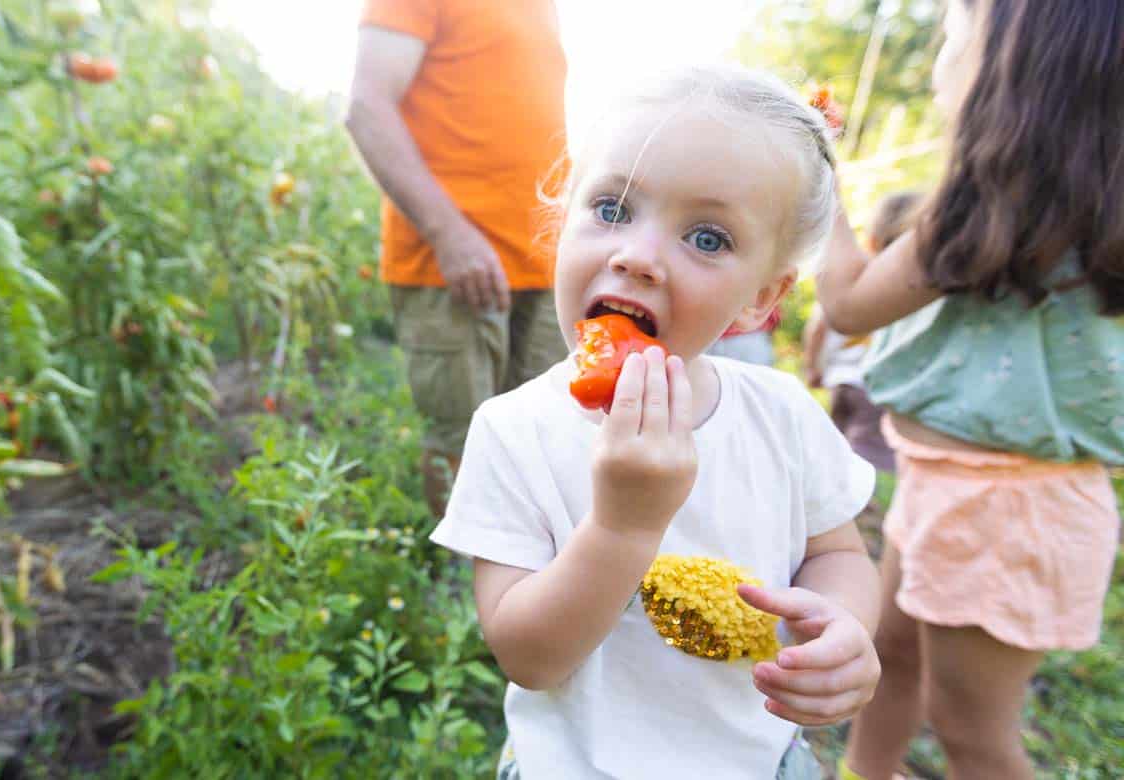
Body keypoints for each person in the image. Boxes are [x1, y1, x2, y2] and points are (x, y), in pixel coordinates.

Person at [430, 64, 882, 779]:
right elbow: (529, 656)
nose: (637, 257)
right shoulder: (513, 431)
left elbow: (838, 556)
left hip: (757, 764)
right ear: (562, 221)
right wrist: (623, 528)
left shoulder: (783, 415)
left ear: (760, 302)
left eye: (706, 238)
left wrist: (845, 625)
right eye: (612, 209)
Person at [817, 2, 1124, 779]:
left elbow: (847, 303)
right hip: (953, 486)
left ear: (1013, 68)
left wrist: (816, 177)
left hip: (1008, 510)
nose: (939, 53)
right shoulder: (1082, 204)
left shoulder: (988, 203)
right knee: (888, 653)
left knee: (973, 737)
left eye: (958, 29)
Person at [346, 0, 569, 518]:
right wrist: (449, 234)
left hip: (543, 261)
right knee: (463, 448)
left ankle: (526, 588)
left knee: (546, 443)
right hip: (451, 264)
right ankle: (457, 593)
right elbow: (366, 107)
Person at [803, 191, 922, 474]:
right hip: (872, 387)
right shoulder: (909, 291)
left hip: (840, 381)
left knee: (837, 442)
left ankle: (831, 486)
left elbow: (818, 328)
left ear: (871, 240)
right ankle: (861, 500)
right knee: (865, 449)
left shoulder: (853, 277)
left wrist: (813, 367)